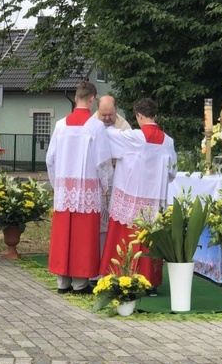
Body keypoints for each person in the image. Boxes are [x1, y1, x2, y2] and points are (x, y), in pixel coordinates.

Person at [99, 97, 177, 289]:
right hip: (154, 203)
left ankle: (123, 277)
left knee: (126, 238)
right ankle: (150, 281)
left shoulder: (134, 137)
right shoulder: (168, 141)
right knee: (149, 239)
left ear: (140, 116)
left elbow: (107, 135)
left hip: (131, 199)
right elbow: (172, 173)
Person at [46, 81, 113, 293]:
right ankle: (79, 282)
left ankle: (62, 282)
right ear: (92, 99)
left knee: (64, 235)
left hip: (66, 190)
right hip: (87, 190)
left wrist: (58, 184)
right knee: (83, 237)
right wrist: (106, 186)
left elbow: (50, 159)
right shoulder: (95, 127)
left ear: (76, 98)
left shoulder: (60, 125)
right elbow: (103, 162)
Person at [92, 95, 131, 266]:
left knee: (114, 223)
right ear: (97, 111)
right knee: (97, 223)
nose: (107, 119)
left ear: (116, 111)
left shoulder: (124, 127)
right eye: (103, 115)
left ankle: (113, 261)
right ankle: (96, 260)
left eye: (111, 115)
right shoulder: (90, 125)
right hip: (95, 179)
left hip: (117, 178)